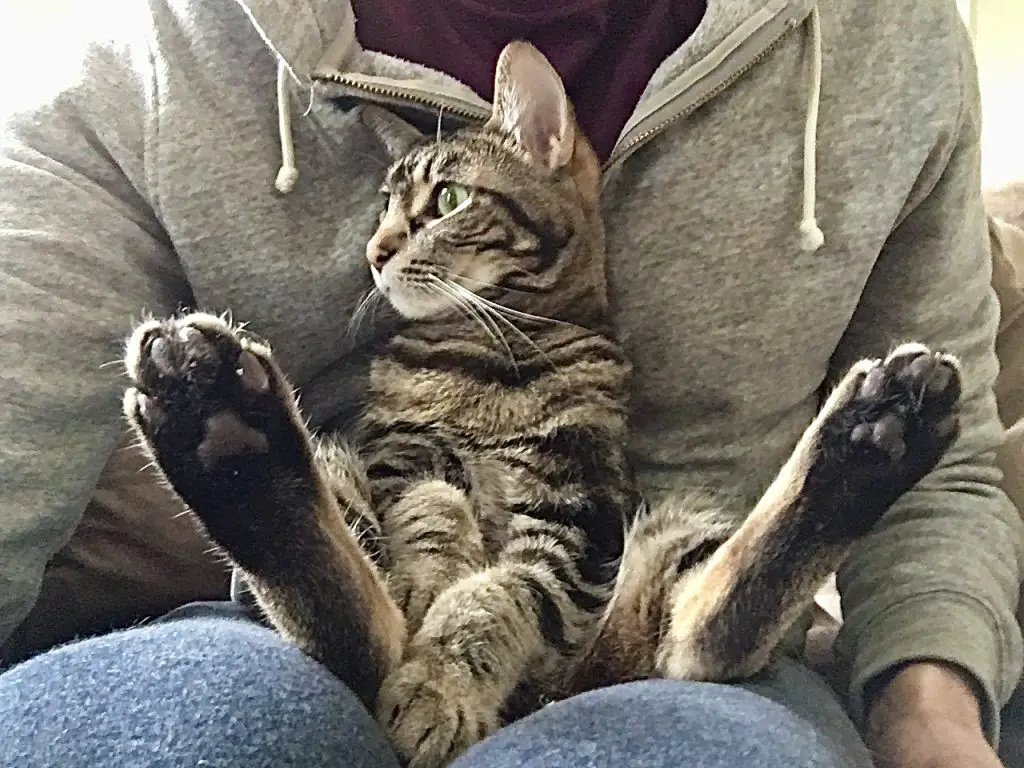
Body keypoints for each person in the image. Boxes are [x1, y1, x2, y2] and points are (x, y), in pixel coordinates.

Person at [0, 1, 1020, 766]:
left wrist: (928, 708)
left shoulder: (890, 37)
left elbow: (948, 460)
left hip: (625, 635)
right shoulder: (149, 49)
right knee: (192, 722)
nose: (386, 252)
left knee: (695, 717)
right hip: (309, 625)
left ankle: (754, 575)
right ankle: (309, 565)